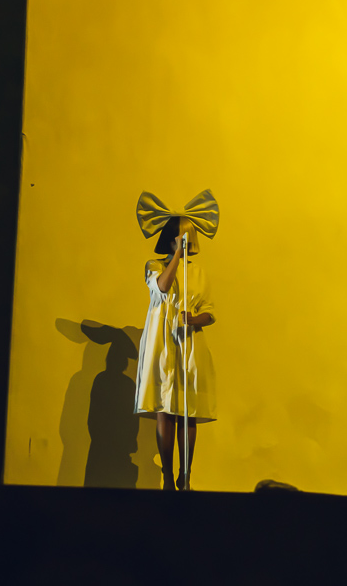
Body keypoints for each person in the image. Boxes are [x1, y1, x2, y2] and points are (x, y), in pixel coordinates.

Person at [134, 190, 220, 491]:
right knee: (165, 407)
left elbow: (210, 312)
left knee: (188, 410)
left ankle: (186, 474)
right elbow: (162, 288)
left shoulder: (199, 273)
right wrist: (176, 259)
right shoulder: (154, 266)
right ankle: (167, 476)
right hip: (162, 342)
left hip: (189, 343)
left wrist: (193, 320)